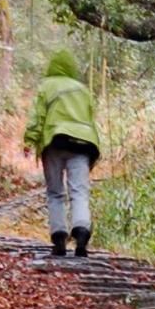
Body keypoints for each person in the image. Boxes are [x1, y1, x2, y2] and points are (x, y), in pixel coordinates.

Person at [23, 48, 101, 257]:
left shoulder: (47, 86)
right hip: (83, 144)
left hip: (55, 142)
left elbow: (38, 117)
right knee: (79, 191)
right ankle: (82, 229)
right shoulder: (83, 90)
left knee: (55, 192)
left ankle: (59, 235)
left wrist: (30, 140)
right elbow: (90, 118)